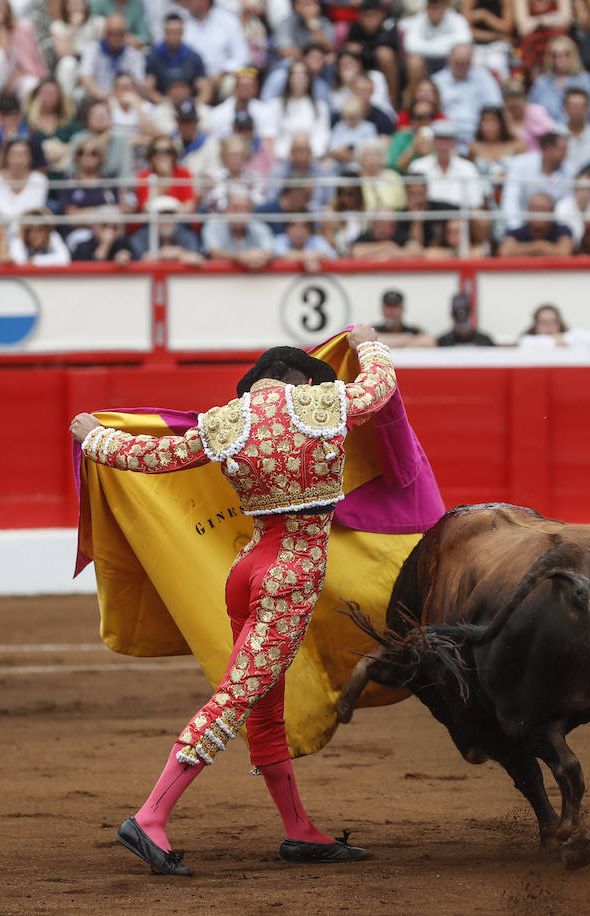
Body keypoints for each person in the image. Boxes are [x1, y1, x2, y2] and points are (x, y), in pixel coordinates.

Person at [70, 327, 393, 876]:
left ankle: (299, 832)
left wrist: (94, 437)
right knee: (238, 697)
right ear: (304, 380)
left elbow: (156, 456)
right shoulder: (325, 403)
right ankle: (149, 817)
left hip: (246, 571)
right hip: (289, 577)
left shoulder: (224, 420)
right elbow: (379, 385)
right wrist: (368, 342)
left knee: (263, 705)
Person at [431, 43, 503, 146]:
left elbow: (495, 105)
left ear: (471, 61)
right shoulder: (437, 81)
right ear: (449, 60)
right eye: (458, 63)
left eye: (465, 63)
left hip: (479, 134)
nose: (461, 67)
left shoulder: (484, 77)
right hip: (446, 135)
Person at [500, 129, 573, 228]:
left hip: (556, 229)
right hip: (521, 226)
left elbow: (568, 205)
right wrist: (516, 229)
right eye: (562, 150)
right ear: (548, 149)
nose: (566, 155)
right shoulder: (520, 163)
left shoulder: (571, 170)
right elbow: (511, 199)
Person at [178, 0, 248, 101]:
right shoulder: (179, 18)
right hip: (188, 75)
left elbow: (242, 57)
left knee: (232, 84)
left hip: (220, 75)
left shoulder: (227, 20)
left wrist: (222, 73)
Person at [401, 0, 473, 88]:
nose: (434, 12)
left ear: (445, 7)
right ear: (426, 8)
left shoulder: (457, 19)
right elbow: (410, 47)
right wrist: (447, 45)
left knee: (462, 52)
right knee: (414, 61)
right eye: (431, 8)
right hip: (426, 62)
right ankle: (414, 97)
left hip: (449, 61)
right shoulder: (419, 19)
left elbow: (465, 40)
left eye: (437, 8)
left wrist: (428, 44)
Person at [78, 13, 145, 103]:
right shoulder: (93, 49)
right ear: (104, 33)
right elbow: (85, 77)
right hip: (97, 99)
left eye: (119, 33)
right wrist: (102, 96)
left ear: (126, 34)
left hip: (124, 102)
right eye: (111, 33)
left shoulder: (134, 55)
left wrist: (119, 99)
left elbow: (139, 83)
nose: (115, 37)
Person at [202, 186, 275, 268]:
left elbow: (270, 251)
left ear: (250, 211)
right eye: (235, 208)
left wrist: (260, 257)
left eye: (245, 208)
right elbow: (214, 253)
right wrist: (241, 257)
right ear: (226, 210)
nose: (240, 213)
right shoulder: (214, 225)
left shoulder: (260, 227)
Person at [529, 35, 590, 124]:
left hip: (576, 131)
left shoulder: (585, 79)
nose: (561, 59)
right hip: (547, 132)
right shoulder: (541, 82)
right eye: (555, 55)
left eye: (566, 54)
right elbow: (532, 110)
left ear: (573, 56)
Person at [345, 0, 401, 106]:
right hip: (362, 68)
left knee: (384, 54)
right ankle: (348, 96)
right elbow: (347, 53)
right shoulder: (355, 28)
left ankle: (392, 100)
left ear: (382, 14)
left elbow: (389, 47)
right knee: (351, 51)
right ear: (360, 17)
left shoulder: (389, 25)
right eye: (366, 16)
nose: (370, 20)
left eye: (374, 15)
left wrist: (364, 49)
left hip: (387, 70)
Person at [145, 13, 206, 102]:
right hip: (162, 104)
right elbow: (149, 88)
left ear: (182, 32)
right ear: (164, 32)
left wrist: (195, 107)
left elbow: (204, 88)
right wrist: (166, 105)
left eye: (176, 32)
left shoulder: (193, 56)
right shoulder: (153, 56)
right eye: (170, 32)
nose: (173, 36)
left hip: (189, 103)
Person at [129, 194, 203, 264]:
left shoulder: (187, 235)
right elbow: (141, 258)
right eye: (162, 216)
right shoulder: (141, 236)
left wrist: (179, 253)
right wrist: (163, 254)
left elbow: (196, 259)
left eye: (170, 215)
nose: (166, 220)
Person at [498, 191, 575, 256]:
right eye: (535, 209)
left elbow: (565, 252)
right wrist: (539, 247)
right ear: (527, 211)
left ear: (552, 212)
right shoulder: (516, 232)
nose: (538, 214)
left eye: (543, 210)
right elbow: (504, 252)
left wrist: (525, 249)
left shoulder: (562, 230)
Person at [370, 288, 434, 346]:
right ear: (382, 309)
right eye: (388, 306)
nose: (391, 311)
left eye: (395, 306)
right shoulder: (373, 330)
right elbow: (365, 342)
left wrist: (383, 340)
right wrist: (407, 338)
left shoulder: (414, 330)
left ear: (402, 308)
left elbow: (430, 342)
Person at [517, 302, 590, 348]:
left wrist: (565, 339)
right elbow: (525, 344)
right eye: (544, 322)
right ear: (536, 324)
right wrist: (555, 342)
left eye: (553, 321)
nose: (549, 326)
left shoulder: (568, 336)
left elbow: (589, 338)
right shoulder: (528, 341)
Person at [560, 88, 590, 174]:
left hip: (589, 184)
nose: (577, 111)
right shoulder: (555, 133)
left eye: (580, 106)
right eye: (573, 106)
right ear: (565, 108)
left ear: (588, 109)